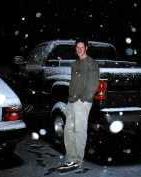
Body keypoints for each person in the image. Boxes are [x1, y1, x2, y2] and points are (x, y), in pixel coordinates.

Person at [57, 38, 99, 171]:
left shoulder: (91, 63)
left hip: (82, 102)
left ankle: (77, 160)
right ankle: (71, 158)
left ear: (86, 48)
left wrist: (83, 99)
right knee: (68, 130)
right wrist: (71, 98)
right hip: (72, 101)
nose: (79, 49)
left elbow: (93, 85)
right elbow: (74, 83)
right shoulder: (75, 64)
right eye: (77, 47)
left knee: (79, 131)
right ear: (75, 49)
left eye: (82, 47)